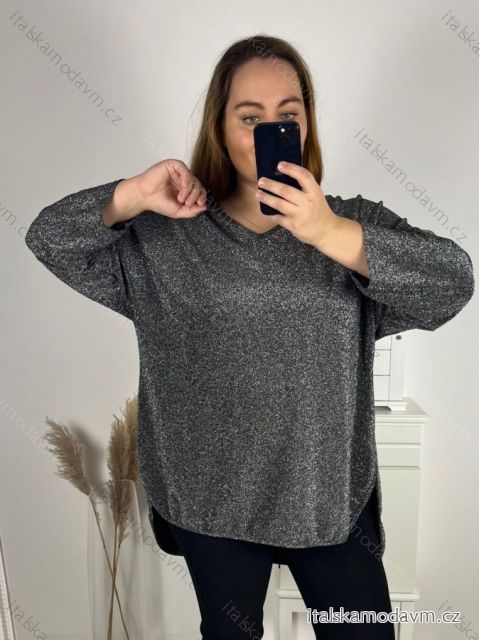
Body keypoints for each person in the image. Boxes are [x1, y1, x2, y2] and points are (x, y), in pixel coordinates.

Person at [25, 34, 475, 640]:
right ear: (219, 126)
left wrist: (327, 231)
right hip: (211, 499)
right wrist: (131, 195)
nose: (270, 131)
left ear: (306, 124)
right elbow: (51, 238)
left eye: (288, 115)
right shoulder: (167, 237)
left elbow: (452, 283)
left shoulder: (351, 225)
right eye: (249, 117)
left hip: (325, 498)